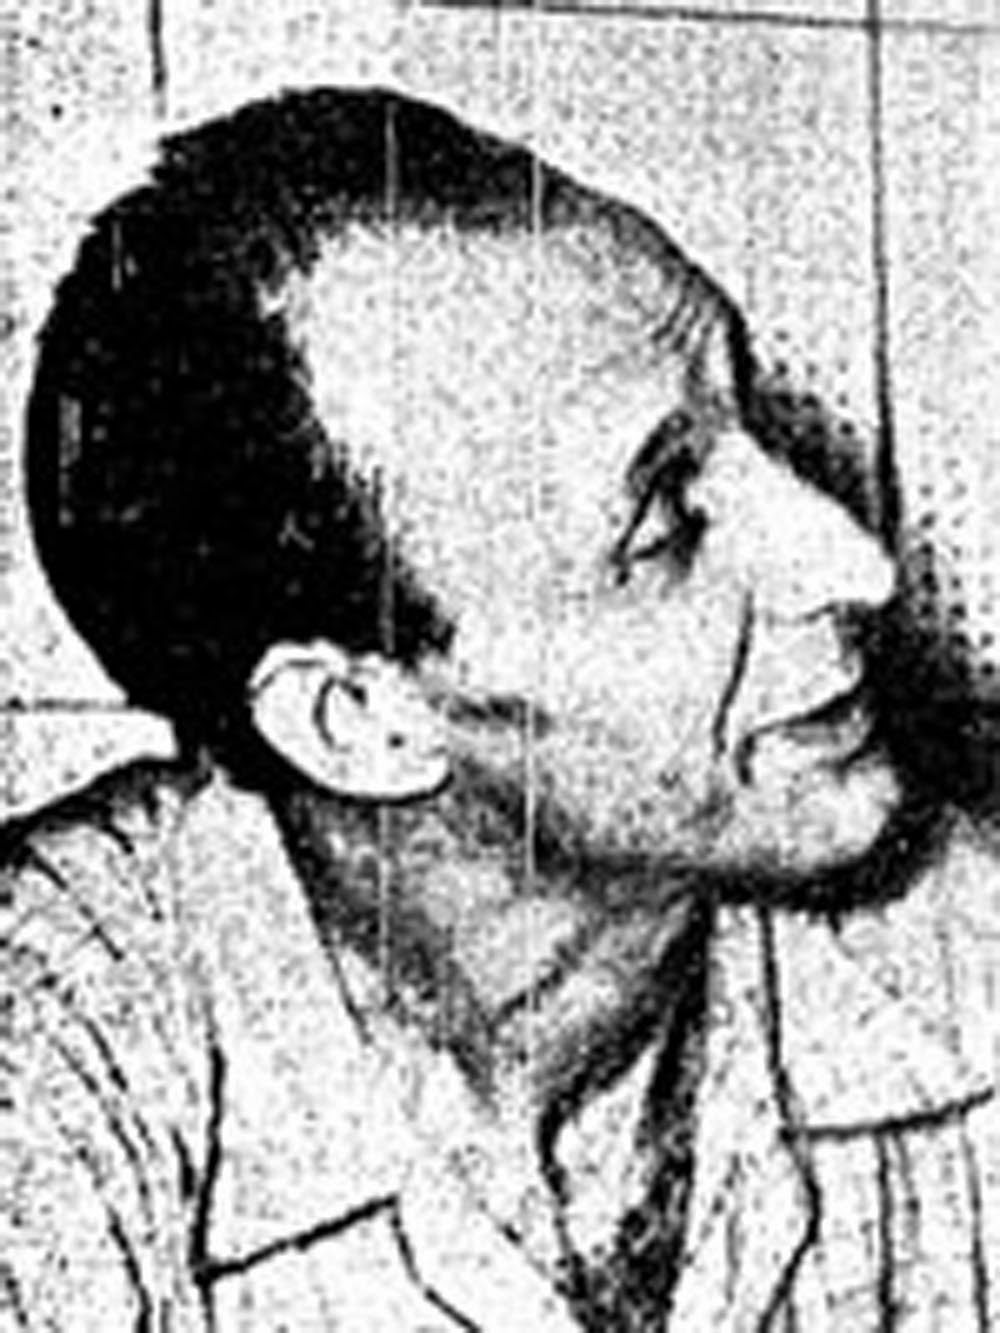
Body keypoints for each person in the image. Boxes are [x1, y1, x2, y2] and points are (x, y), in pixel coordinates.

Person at [4, 87, 997, 1331]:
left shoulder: (955, 955)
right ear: (359, 721)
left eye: (746, 425)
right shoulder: (49, 1086)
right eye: (665, 522)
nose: (851, 561)